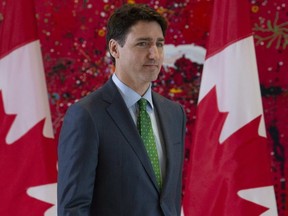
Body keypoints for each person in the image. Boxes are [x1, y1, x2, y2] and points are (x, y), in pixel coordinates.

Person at [57, 3, 186, 216]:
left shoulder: (175, 114)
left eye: (159, 44)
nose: (154, 54)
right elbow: (73, 209)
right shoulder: (86, 116)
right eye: (143, 44)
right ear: (115, 49)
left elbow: (168, 201)